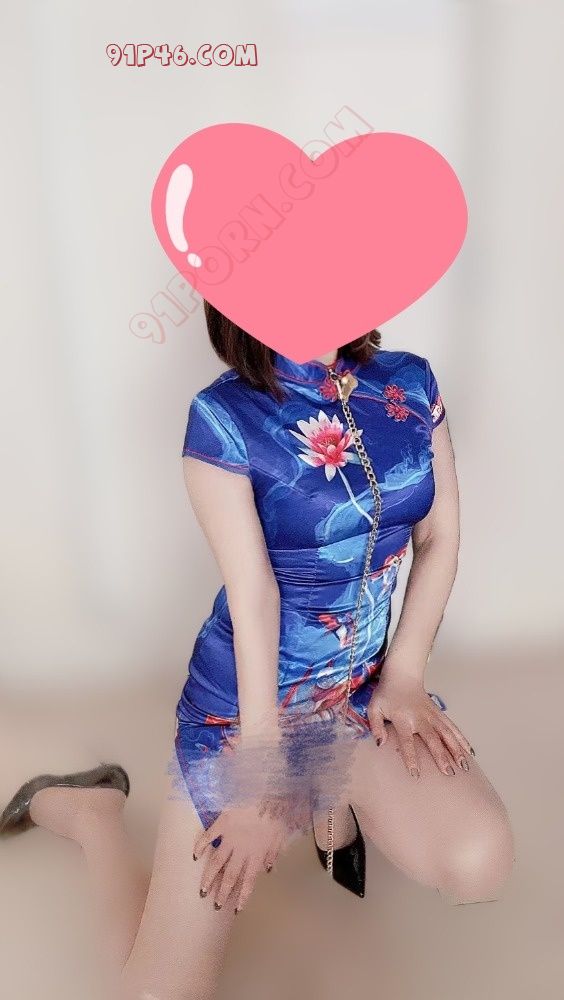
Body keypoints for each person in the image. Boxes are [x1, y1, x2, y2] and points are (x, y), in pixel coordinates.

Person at [0, 305, 515, 1000]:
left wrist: (405, 673)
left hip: (361, 694)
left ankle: (331, 789)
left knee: (477, 860)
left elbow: (439, 536)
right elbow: (255, 596)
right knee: (155, 995)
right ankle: (92, 817)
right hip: (249, 714)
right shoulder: (225, 418)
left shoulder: (410, 382)